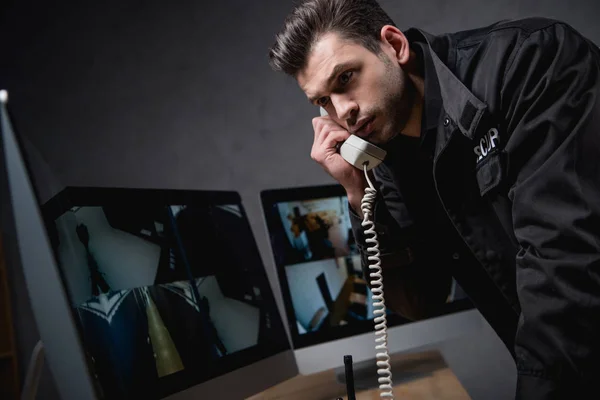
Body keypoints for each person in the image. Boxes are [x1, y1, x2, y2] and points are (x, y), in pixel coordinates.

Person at [268, 1, 600, 399]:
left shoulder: (531, 62)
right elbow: (419, 299)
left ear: (393, 45)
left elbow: (566, 266)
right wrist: (358, 193)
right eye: (323, 101)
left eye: (345, 79)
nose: (343, 111)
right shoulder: (387, 155)